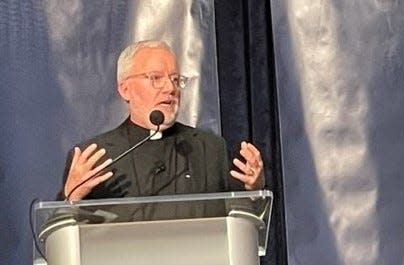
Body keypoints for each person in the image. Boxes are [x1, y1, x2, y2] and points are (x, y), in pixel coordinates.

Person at [58, 40, 265, 202]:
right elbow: (63, 238)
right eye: (155, 78)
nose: (170, 88)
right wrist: (71, 197)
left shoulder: (209, 149)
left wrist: (255, 191)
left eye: (175, 79)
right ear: (125, 89)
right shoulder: (95, 158)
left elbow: (240, 224)